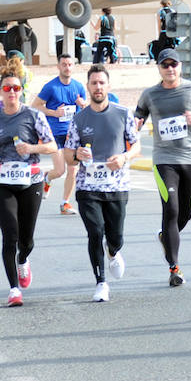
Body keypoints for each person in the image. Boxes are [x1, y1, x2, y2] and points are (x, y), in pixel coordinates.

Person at [134, 49, 191, 286]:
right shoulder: (150, 94)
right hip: (163, 159)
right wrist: (135, 125)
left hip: (189, 157)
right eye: (165, 65)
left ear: (180, 66)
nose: (169, 69)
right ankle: (174, 268)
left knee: (186, 212)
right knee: (170, 209)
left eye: (173, 64)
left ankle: (166, 238)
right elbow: (136, 119)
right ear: (159, 68)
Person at [0, 65, 64, 306]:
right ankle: (13, 289)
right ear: (0, 91)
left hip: (30, 181)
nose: (11, 92)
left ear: (21, 91)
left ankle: (23, 260)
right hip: (2, 180)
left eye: (16, 88)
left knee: (26, 239)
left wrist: (31, 148)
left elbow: (51, 146)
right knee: (10, 235)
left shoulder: (32, 115)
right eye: (7, 88)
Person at [64, 65, 140, 302]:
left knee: (115, 236)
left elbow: (136, 146)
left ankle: (113, 251)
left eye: (101, 83)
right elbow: (67, 155)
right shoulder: (79, 119)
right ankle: (101, 283)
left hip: (116, 186)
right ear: (87, 87)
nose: (97, 87)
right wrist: (77, 154)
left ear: (108, 86)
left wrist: (124, 157)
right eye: (93, 83)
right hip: (88, 187)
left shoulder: (123, 113)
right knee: (95, 232)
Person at [32, 53, 89, 215]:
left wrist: (83, 104)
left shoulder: (78, 87)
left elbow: (86, 108)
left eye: (70, 64)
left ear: (73, 66)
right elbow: (35, 106)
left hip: (73, 134)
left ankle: (65, 203)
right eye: (64, 64)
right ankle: (47, 178)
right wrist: (53, 113)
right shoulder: (51, 87)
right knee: (59, 171)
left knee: (73, 170)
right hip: (54, 133)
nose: (67, 67)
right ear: (58, 66)